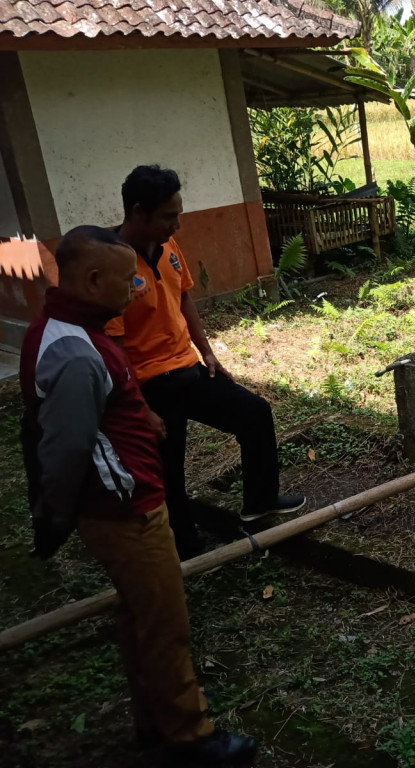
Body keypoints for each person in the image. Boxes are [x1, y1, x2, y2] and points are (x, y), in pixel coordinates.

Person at [19, 225, 257, 764]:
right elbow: (65, 447)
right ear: (92, 278)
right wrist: (54, 517)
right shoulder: (76, 352)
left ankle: (153, 721)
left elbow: (94, 416)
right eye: (126, 281)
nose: (135, 290)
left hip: (122, 501)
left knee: (140, 618)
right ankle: (192, 737)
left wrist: (139, 416)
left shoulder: (67, 329)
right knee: (166, 623)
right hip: (124, 509)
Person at [108, 165, 305, 560]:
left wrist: (207, 351)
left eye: (179, 213)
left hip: (188, 368)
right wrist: (140, 408)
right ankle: (184, 550)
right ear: (138, 212)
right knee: (168, 472)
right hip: (149, 383)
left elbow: (183, 298)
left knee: (254, 413)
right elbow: (110, 347)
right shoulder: (111, 263)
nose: (177, 224)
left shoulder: (167, 248)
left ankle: (259, 504)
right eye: (169, 216)